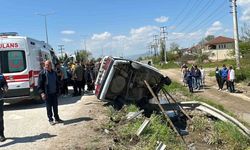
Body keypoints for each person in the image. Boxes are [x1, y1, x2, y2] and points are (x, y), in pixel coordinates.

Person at [38, 60, 63, 125]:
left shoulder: (54, 72)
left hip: (54, 93)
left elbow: (57, 81)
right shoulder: (42, 73)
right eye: (46, 65)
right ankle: (50, 119)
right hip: (47, 93)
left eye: (49, 65)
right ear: (44, 65)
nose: (47, 66)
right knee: (49, 107)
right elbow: (39, 85)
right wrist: (42, 93)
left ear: (51, 65)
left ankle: (57, 118)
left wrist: (59, 88)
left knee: (55, 106)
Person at [0, 72, 8, 142]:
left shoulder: (1, 75)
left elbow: (4, 83)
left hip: (0, 99)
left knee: (0, 117)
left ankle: (1, 135)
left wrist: (5, 87)